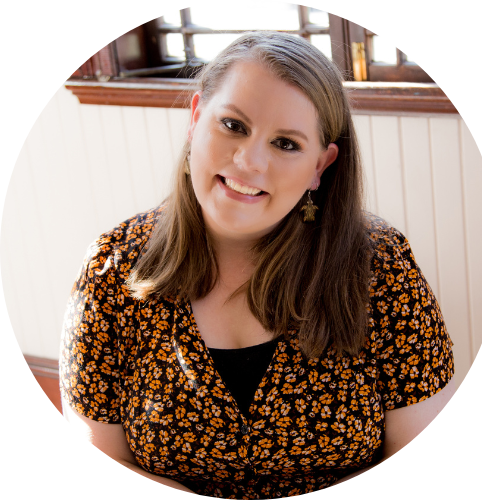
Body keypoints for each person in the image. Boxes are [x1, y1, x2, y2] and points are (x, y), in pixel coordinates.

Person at [60, 31, 455, 498]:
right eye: (233, 125)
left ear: (320, 167)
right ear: (195, 118)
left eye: (286, 144)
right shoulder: (112, 267)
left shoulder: (382, 268)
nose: (248, 162)